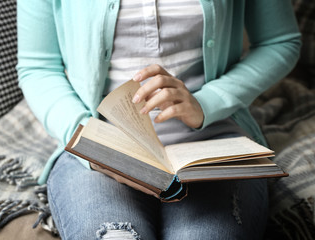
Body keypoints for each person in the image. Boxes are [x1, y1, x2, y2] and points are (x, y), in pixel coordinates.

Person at [17, 0, 301, 239]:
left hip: (216, 148)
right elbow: (38, 67)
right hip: (98, 152)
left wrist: (207, 102)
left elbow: (280, 41)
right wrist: (92, 144)